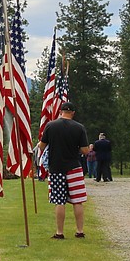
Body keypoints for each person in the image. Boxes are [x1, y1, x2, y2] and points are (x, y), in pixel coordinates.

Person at [40, 101, 91, 239]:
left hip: (56, 168)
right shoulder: (79, 127)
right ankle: (79, 231)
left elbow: (42, 145)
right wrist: (89, 148)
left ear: (60, 112)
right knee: (77, 201)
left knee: (59, 201)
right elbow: (85, 150)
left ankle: (59, 232)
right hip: (74, 166)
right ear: (73, 113)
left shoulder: (51, 125)